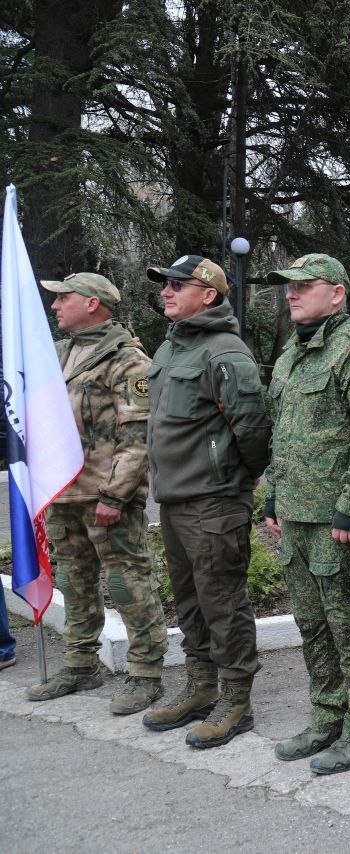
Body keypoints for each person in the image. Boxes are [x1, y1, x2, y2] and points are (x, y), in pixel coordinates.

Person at [261, 253, 350, 775]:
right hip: (296, 516)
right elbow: (283, 433)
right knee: (313, 626)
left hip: (338, 522)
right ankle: (326, 717)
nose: (292, 294)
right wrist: (272, 497)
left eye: (304, 286)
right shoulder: (292, 353)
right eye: (289, 287)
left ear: (336, 293)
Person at [140, 255, 271, 748]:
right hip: (175, 501)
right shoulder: (171, 348)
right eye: (165, 284)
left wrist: (236, 479)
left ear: (209, 295)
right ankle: (200, 688)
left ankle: (235, 701)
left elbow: (253, 430)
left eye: (178, 284)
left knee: (223, 603)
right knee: (191, 602)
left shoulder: (224, 351)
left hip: (214, 502)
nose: (167, 292)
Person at [24, 273, 167, 713]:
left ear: (92, 303)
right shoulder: (59, 354)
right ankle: (80, 664)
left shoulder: (127, 360)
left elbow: (139, 435)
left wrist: (116, 495)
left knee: (128, 582)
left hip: (106, 497)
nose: (54, 306)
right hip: (62, 492)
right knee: (73, 581)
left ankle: (146, 674)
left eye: (63, 298)